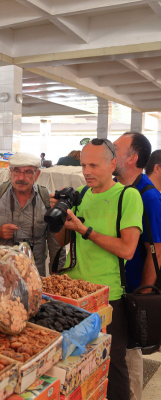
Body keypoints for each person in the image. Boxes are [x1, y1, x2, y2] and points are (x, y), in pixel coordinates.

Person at [53, 138, 143, 400]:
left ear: (112, 164)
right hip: (73, 294)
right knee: (75, 364)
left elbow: (127, 249)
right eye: (83, 165)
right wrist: (59, 217)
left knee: (112, 366)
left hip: (107, 296)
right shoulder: (80, 196)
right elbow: (63, 241)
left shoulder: (128, 196)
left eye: (94, 164)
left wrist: (85, 230)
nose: (86, 171)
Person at [113, 132, 161, 400]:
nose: (111, 151)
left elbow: (156, 251)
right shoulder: (117, 190)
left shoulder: (149, 197)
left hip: (132, 291)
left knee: (130, 355)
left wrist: (141, 296)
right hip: (113, 287)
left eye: (116, 148)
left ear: (131, 159)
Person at [0, 152, 65, 276]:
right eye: (17, 171)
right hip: (0, 273)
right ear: (10, 173)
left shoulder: (46, 199)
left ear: (37, 175)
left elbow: (56, 246)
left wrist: (57, 279)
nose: (21, 178)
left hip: (34, 274)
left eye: (28, 172)